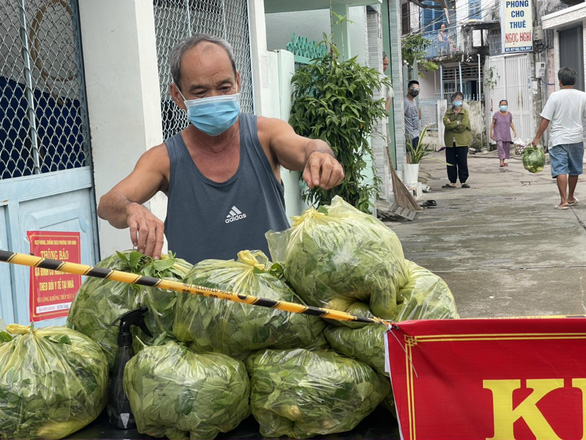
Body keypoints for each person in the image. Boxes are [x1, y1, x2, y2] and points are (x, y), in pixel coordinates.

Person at [98, 34, 345, 262]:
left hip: (275, 301)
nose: (215, 98)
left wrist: (321, 155)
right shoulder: (164, 159)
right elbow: (108, 204)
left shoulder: (266, 136)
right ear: (177, 95)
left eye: (224, 87)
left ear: (238, 81)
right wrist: (132, 209)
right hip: (201, 304)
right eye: (200, 92)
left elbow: (308, 148)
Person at [532, 67, 586, 210]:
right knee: (574, 170)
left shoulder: (555, 97)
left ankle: (563, 201)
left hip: (559, 140)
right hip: (576, 139)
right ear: (574, 81)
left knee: (561, 169)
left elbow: (545, 119)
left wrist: (537, 138)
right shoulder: (583, 96)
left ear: (560, 81)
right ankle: (571, 197)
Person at [442, 92, 471, 188]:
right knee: (450, 162)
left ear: (462, 101)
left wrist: (453, 124)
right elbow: (446, 124)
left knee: (462, 161)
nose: (457, 101)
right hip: (450, 141)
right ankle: (452, 181)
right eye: (455, 99)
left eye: (459, 99)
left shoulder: (465, 113)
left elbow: (463, 126)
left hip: (462, 141)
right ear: (452, 101)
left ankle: (463, 181)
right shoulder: (448, 112)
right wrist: (457, 122)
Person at [490, 99, 517, 167]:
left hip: (506, 134)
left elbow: (510, 123)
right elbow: (492, 124)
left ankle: (503, 161)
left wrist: (514, 131)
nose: (503, 106)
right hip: (498, 134)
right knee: (500, 147)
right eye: (502, 105)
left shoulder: (509, 114)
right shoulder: (496, 114)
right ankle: (501, 162)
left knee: (506, 148)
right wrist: (491, 132)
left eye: (505, 105)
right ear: (499, 105)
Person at [404, 80, 421, 159]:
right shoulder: (405, 102)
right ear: (409, 89)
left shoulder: (414, 101)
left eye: (418, 89)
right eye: (414, 88)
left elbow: (418, 117)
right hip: (409, 137)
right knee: (410, 157)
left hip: (416, 135)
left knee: (416, 158)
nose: (416, 90)